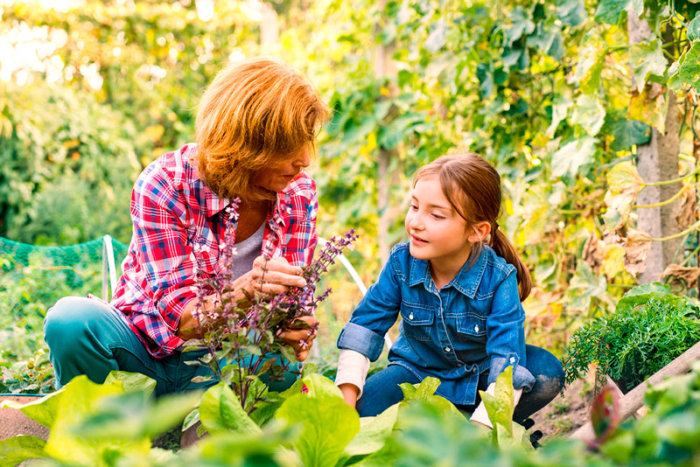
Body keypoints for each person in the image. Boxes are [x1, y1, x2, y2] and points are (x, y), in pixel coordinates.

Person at [44, 57, 329, 396]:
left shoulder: (299, 193)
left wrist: (297, 329)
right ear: (246, 142)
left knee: (280, 366)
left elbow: (294, 308)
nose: (304, 160)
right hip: (145, 358)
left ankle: (212, 433)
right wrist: (246, 291)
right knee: (71, 322)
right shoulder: (166, 184)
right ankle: (108, 430)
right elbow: (184, 321)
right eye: (288, 145)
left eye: (306, 141)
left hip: (225, 368)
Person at [335, 153, 564, 427]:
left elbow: (506, 366)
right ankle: (438, 425)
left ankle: (477, 422)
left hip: (479, 378)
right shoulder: (401, 263)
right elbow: (366, 327)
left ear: (477, 231)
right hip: (414, 374)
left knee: (545, 372)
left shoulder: (499, 279)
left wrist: (477, 436)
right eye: (415, 206)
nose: (417, 222)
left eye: (436, 215)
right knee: (365, 412)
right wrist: (346, 402)